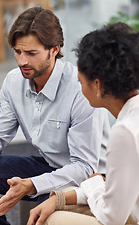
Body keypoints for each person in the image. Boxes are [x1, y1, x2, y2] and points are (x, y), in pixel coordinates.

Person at [0, 6, 110, 225]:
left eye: (31, 53)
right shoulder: (13, 81)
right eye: (18, 52)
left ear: (54, 49)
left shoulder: (80, 89)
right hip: (50, 165)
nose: (22, 61)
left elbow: (84, 168)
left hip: (90, 179)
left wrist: (32, 184)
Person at [27, 22, 139, 225]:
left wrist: (94, 182)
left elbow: (112, 217)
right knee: (56, 206)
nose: (78, 88)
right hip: (127, 209)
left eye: (80, 81)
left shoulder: (124, 132)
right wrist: (61, 198)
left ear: (98, 85)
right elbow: (118, 193)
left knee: (55, 220)